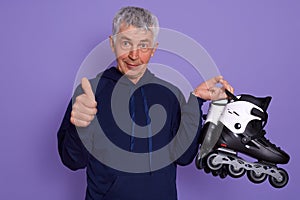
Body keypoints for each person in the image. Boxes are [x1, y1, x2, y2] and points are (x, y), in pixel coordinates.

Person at [58, 6, 233, 200]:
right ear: (112, 43)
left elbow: (184, 158)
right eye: (126, 43)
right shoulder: (89, 93)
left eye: (143, 45)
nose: (134, 55)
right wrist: (79, 126)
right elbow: (72, 161)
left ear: (153, 50)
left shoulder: (170, 94)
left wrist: (196, 101)